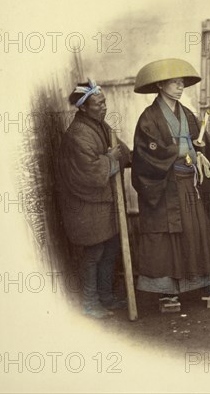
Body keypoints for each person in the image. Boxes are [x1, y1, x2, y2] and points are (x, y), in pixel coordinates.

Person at [131, 58, 210, 309]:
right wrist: (180, 148)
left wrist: (202, 151)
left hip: (189, 183)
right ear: (161, 86)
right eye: (174, 83)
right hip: (164, 185)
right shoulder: (149, 118)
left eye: (181, 82)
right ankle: (166, 291)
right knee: (167, 237)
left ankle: (202, 282)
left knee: (194, 231)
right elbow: (145, 153)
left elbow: (203, 144)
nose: (179, 86)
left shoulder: (187, 114)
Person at [57, 79, 131, 319]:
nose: (104, 107)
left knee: (109, 250)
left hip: (104, 203)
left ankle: (106, 296)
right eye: (98, 104)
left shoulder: (100, 125)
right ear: (84, 108)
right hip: (85, 206)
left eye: (104, 102)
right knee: (94, 253)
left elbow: (122, 152)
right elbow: (89, 173)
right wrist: (110, 159)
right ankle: (90, 302)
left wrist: (119, 156)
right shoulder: (78, 135)